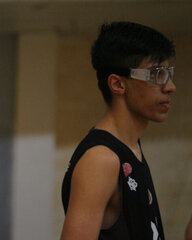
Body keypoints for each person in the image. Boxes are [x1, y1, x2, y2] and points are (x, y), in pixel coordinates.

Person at [61, 21, 176, 240]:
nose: (170, 86)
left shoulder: (131, 146)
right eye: (157, 75)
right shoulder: (101, 159)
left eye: (168, 74)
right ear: (118, 84)